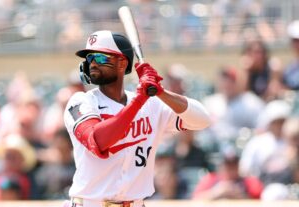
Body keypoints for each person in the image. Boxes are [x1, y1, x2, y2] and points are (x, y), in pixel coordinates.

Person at [63, 30, 211, 207]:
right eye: (89, 58)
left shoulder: (151, 104)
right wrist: (140, 98)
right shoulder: (81, 101)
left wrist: (160, 91)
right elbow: (98, 141)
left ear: (122, 63)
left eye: (101, 58)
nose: (93, 63)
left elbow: (202, 119)